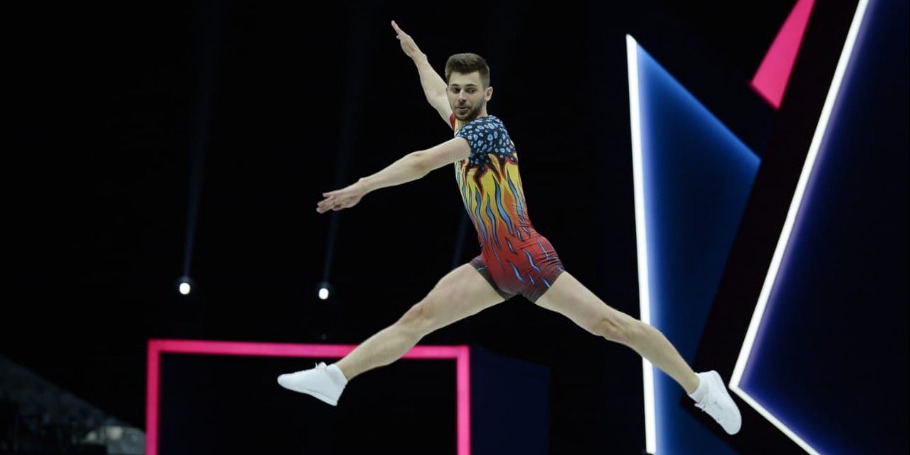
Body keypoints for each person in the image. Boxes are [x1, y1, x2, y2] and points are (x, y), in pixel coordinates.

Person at [277, 20, 742, 435]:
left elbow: (420, 162)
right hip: (494, 265)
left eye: (469, 90)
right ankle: (335, 377)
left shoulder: (487, 131)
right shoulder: (459, 122)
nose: (460, 97)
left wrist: (363, 185)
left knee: (611, 325)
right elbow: (435, 94)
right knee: (417, 318)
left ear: (488, 94)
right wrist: (417, 56)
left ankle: (701, 385)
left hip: (529, 259)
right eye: (456, 89)